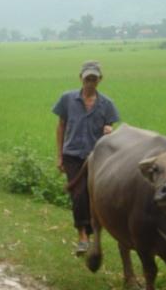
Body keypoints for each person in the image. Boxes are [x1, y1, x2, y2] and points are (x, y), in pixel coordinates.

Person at [52, 60, 119, 256]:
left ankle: (92, 232)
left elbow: (110, 130)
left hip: (96, 157)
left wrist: (109, 131)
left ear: (100, 80)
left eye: (94, 79)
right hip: (72, 154)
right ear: (80, 78)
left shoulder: (107, 104)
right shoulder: (67, 99)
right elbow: (61, 126)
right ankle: (83, 236)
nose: (90, 82)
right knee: (79, 194)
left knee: (93, 197)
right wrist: (59, 155)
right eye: (87, 78)